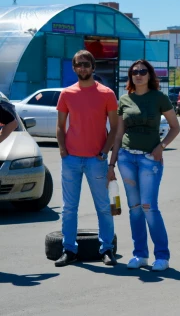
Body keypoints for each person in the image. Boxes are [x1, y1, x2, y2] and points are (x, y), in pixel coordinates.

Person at [108, 59, 180, 272]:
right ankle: (140, 254)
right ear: (130, 76)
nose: (138, 75)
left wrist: (162, 146)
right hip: (126, 159)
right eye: (134, 72)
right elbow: (119, 134)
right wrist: (112, 164)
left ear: (149, 75)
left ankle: (162, 256)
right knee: (135, 208)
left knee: (149, 207)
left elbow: (175, 127)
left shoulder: (159, 98)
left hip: (150, 159)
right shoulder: (124, 99)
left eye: (142, 71)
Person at [55, 50, 119, 267]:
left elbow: (115, 128)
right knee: (69, 208)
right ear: (74, 68)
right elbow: (60, 126)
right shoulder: (66, 94)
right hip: (71, 159)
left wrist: (104, 152)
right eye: (78, 65)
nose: (82, 68)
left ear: (93, 67)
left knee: (103, 207)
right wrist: (63, 150)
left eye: (86, 64)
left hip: (96, 160)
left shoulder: (107, 93)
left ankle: (107, 250)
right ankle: (69, 250)